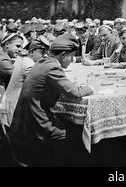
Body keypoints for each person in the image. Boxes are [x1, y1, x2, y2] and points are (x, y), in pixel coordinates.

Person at [9, 33, 94, 166]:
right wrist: (90, 88)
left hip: (24, 120)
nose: (71, 60)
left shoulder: (43, 61)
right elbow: (74, 92)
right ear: (63, 55)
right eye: (71, 56)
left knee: (65, 124)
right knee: (69, 137)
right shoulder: (52, 67)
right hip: (34, 122)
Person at [5, 37, 50, 126]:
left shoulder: (23, 59)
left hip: (12, 104)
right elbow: (44, 83)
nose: (45, 55)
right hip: (16, 110)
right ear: (32, 51)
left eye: (46, 53)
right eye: (42, 52)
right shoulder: (29, 64)